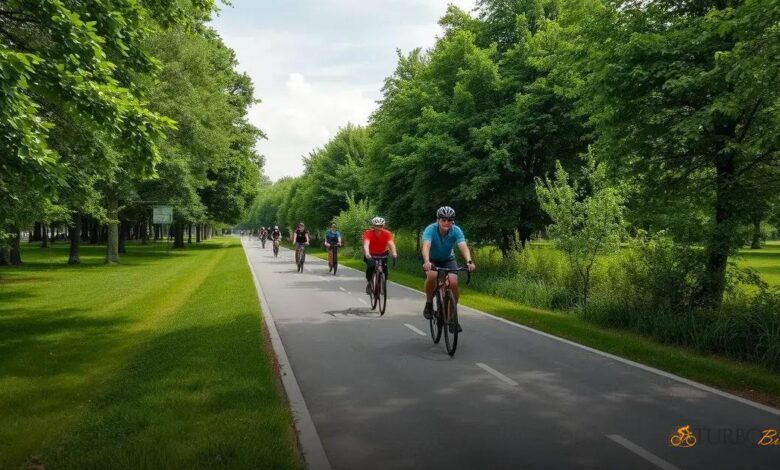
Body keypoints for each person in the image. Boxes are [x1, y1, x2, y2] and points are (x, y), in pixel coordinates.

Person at [421, 206, 476, 329]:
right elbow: (426, 246)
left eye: (449, 220)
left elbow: (463, 246)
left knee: (453, 283)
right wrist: (427, 261)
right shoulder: (430, 229)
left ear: (453, 221)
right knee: (432, 276)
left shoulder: (456, 230)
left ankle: (451, 317)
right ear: (438, 220)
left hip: (448, 259)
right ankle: (429, 303)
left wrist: (469, 261)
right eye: (443, 219)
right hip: (432, 260)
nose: (446, 222)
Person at [363, 217, 398, 294]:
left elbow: (391, 243)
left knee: (385, 269)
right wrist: (367, 253)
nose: (379, 228)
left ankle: (383, 284)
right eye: (377, 226)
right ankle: (369, 283)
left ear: (383, 226)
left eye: (381, 226)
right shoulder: (368, 233)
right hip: (371, 254)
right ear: (373, 226)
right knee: (371, 267)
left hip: (383, 253)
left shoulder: (387, 233)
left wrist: (394, 252)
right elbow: (366, 244)